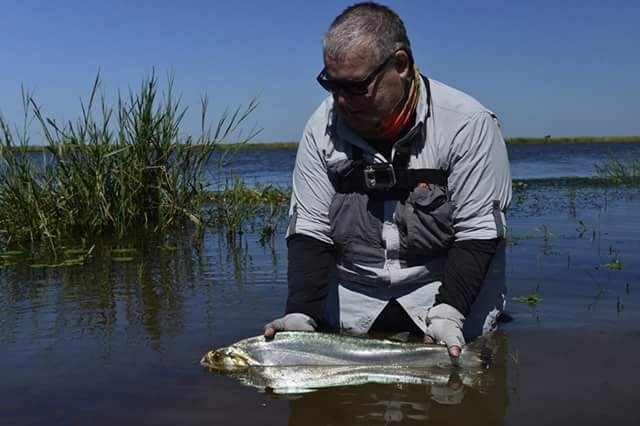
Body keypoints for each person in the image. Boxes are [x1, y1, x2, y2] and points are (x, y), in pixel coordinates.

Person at [264, 1, 511, 358]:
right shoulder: (321, 127)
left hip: (445, 286)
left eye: (356, 86)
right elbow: (310, 229)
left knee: (468, 384)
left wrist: (450, 311)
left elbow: (478, 232)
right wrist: (302, 311)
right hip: (354, 289)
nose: (341, 101)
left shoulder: (469, 125)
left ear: (401, 65)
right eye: (331, 85)